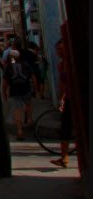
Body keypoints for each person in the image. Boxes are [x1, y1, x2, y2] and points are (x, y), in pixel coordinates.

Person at [1, 48, 36, 140]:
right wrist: (35, 89)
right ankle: (30, 119)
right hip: (26, 88)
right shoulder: (25, 64)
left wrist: (4, 93)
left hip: (14, 90)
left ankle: (20, 130)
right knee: (28, 104)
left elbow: (4, 82)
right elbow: (33, 77)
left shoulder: (9, 67)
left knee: (17, 109)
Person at [50, 39, 73, 168]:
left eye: (61, 49)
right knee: (65, 128)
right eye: (58, 49)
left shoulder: (72, 62)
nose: (59, 52)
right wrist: (62, 99)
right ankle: (64, 157)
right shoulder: (61, 65)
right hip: (69, 98)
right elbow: (63, 85)